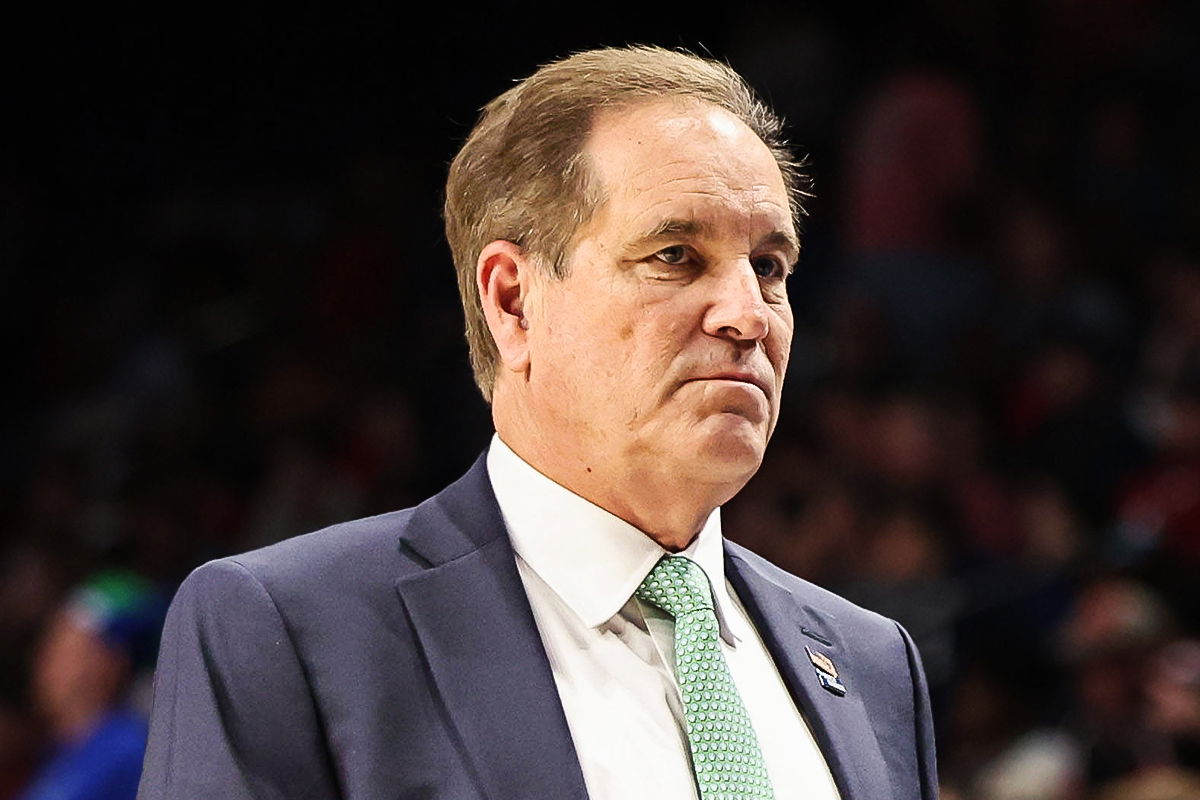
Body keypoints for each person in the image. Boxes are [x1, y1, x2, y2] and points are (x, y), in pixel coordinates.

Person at [138, 46, 938, 800]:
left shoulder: (873, 666)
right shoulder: (292, 629)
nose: (748, 315)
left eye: (768, 266)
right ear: (513, 301)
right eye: (675, 256)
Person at [19, 571, 167, 800]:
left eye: (64, 647)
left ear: (109, 662)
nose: (43, 661)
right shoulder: (62, 751)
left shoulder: (129, 753)